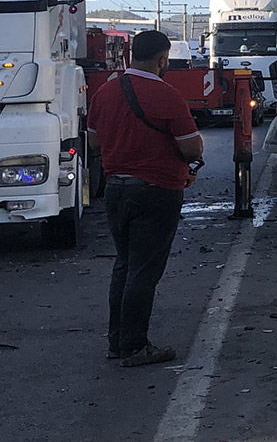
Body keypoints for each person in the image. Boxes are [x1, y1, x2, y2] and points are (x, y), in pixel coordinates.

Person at [87, 30, 204, 367]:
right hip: (156, 190)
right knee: (143, 270)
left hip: (115, 189)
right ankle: (136, 346)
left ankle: (117, 342)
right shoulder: (166, 95)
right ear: (162, 59)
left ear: (130, 55)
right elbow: (191, 147)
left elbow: (94, 144)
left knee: (123, 264)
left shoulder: (105, 93)